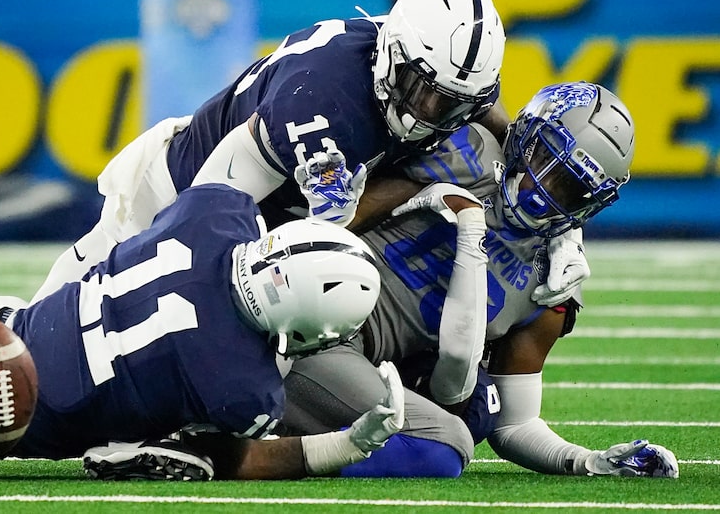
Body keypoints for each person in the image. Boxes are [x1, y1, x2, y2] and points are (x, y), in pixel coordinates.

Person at [281, 81, 679, 478]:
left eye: (570, 187)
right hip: (307, 310)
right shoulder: (463, 147)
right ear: (525, 132)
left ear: (591, 203)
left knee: (477, 411)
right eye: (545, 158)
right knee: (444, 441)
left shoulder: (555, 279)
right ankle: (258, 444)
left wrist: (584, 461)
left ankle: (275, 436)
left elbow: (514, 423)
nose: (542, 191)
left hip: (363, 361)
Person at [29, 0, 509, 303]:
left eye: (450, 104)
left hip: (271, 209)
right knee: (85, 310)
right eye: (421, 92)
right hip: (180, 193)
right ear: (391, 57)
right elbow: (214, 214)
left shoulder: (445, 74)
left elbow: (481, 105)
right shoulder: (322, 103)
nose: (431, 113)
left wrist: (518, 149)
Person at [0, 183, 406, 480]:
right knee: (207, 456)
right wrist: (349, 446)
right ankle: (140, 444)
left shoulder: (217, 212)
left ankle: (137, 439)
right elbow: (246, 459)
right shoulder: (244, 390)